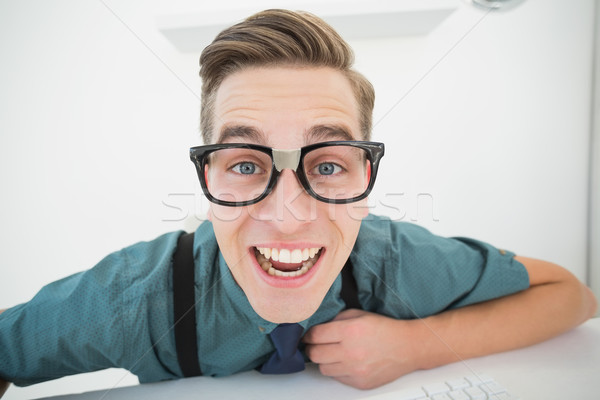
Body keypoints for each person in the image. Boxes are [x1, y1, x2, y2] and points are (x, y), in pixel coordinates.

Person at [0, 9, 597, 396]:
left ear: (366, 176)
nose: (288, 213)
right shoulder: (133, 298)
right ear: (208, 179)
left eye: (328, 164)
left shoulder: (395, 258)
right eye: (245, 164)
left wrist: (415, 346)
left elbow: (573, 295)